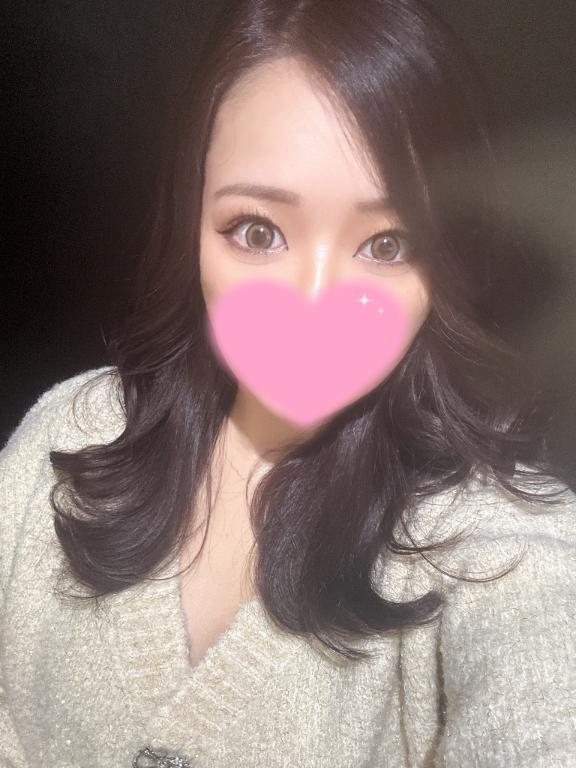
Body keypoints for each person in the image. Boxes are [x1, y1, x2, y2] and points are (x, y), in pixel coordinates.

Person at [1, 0, 575, 765]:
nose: (315, 305)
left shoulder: (491, 542)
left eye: (387, 243)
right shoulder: (73, 430)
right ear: (190, 227)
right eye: (258, 231)